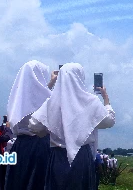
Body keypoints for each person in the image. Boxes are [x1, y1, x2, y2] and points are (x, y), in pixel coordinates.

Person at [29, 62, 115, 190]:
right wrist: (106, 99)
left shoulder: (51, 102)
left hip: (57, 156)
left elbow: (34, 126)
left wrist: (50, 129)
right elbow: (109, 121)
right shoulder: (90, 101)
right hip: (81, 156)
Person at [4, 60, 57, 190]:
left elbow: (38, 98)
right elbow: (43, 104)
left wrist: (50, 84)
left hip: (21, 145)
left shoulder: (18, 100)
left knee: (19, 182)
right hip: (39, 146)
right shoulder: (47, 101)